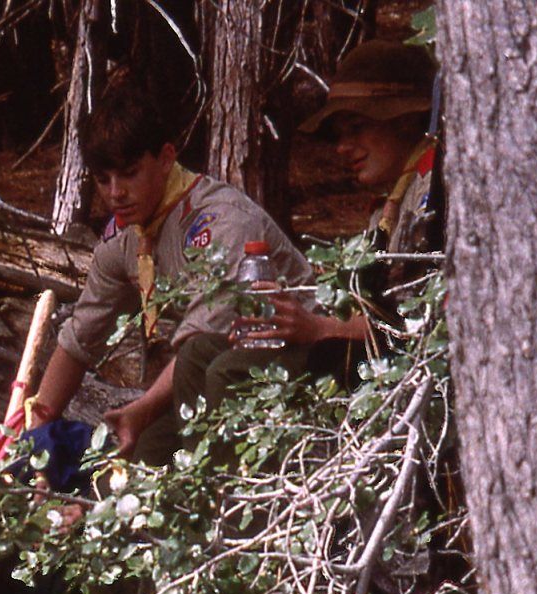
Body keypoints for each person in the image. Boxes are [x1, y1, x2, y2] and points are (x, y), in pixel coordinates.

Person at [27, 75, 315, 465]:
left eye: (129, 173)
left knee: (189, 389)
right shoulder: (128, 240)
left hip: (289, 370)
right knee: (141, 464)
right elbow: (80, 340)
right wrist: (33, 430)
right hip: (208, 378)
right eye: (103, 180)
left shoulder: (221, 222)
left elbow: (204, 339)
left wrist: (143, 410)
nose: (115, 193)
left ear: (165, 159)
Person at [257, 39, 441, 355]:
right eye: (340, 134)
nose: (342, 147)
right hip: (377, 353)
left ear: (405, 121)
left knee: (229, 369)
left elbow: (409, 321)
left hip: (402, 361)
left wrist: (319, 328)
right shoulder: (389, 207)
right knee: (205, 351)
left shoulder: (434, 192)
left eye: (356, 128)